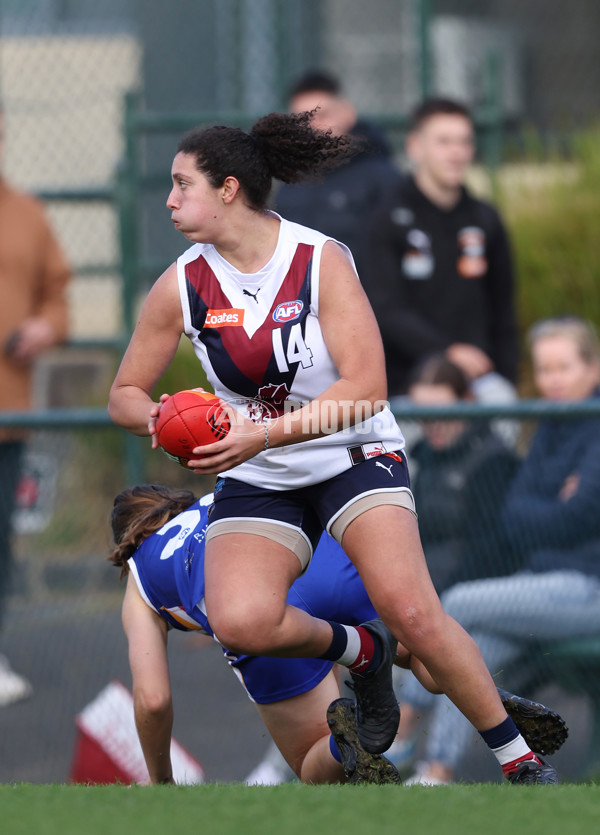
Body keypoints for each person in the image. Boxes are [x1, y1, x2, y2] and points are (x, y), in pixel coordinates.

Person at [108, 110, 558, 785]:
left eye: (182, 184)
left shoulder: (319, 259)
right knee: (241, 620)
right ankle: (365, 651)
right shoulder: (183, 283)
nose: (169, 201)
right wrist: (166, 421)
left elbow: (368, 387)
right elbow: (124, 392)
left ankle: (520, 761)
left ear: (229, 188)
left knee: (416, 613)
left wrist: (258, 431)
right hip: (260, 473)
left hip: (353, 454)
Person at [111, 483, 566, 785]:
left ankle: (345, 739)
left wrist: (162, 784)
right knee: (421, 649)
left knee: (313, 765)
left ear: (127, 542)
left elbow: (153, 701)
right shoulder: (212, 500)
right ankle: (484, 701)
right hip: (319, 560)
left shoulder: (140, 574)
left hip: (258, 611)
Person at [396, 315, 600, 786]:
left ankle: (402, 726)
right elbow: (516, 514)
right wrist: (557, 505)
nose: (553, 379)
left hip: (587, 585)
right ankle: (437, 771)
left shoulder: (591, 422)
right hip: (546, 584)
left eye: (564, 367)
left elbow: (579, 514)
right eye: (545, 369)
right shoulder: (551, 424)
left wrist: (554, 510)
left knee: (458, 606)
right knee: (472, 648)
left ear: (592, 369)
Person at [365, 97, 519, 401]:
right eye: (444, 142)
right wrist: (446, 351)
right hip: (407, 387)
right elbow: (385, 309)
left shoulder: (485, 218)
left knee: (502, 403)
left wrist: (506, 376)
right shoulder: (386, 219)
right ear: (415, 146)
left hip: (478, 384)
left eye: (464, 142)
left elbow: (503, 309)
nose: (457, 153)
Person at [0, 104, 71, 706]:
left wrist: (45, 329)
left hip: (8, 412)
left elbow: (57, 300)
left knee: (0, 538)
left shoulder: (27, 215)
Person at [274, 70, 403, 281]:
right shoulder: (290, 181)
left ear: (347, 114)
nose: (311, 127)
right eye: (300, 120)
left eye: (321, 116)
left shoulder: (381, 178)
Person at [406, 354, 519, 593]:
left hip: (464, 592)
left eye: (442, 413)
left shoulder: (493, 460)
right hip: (423, 585)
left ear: (467, 401)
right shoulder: (425, 455)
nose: (433, 424)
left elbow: (489, 552)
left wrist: (434, 597)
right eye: (422, 415)